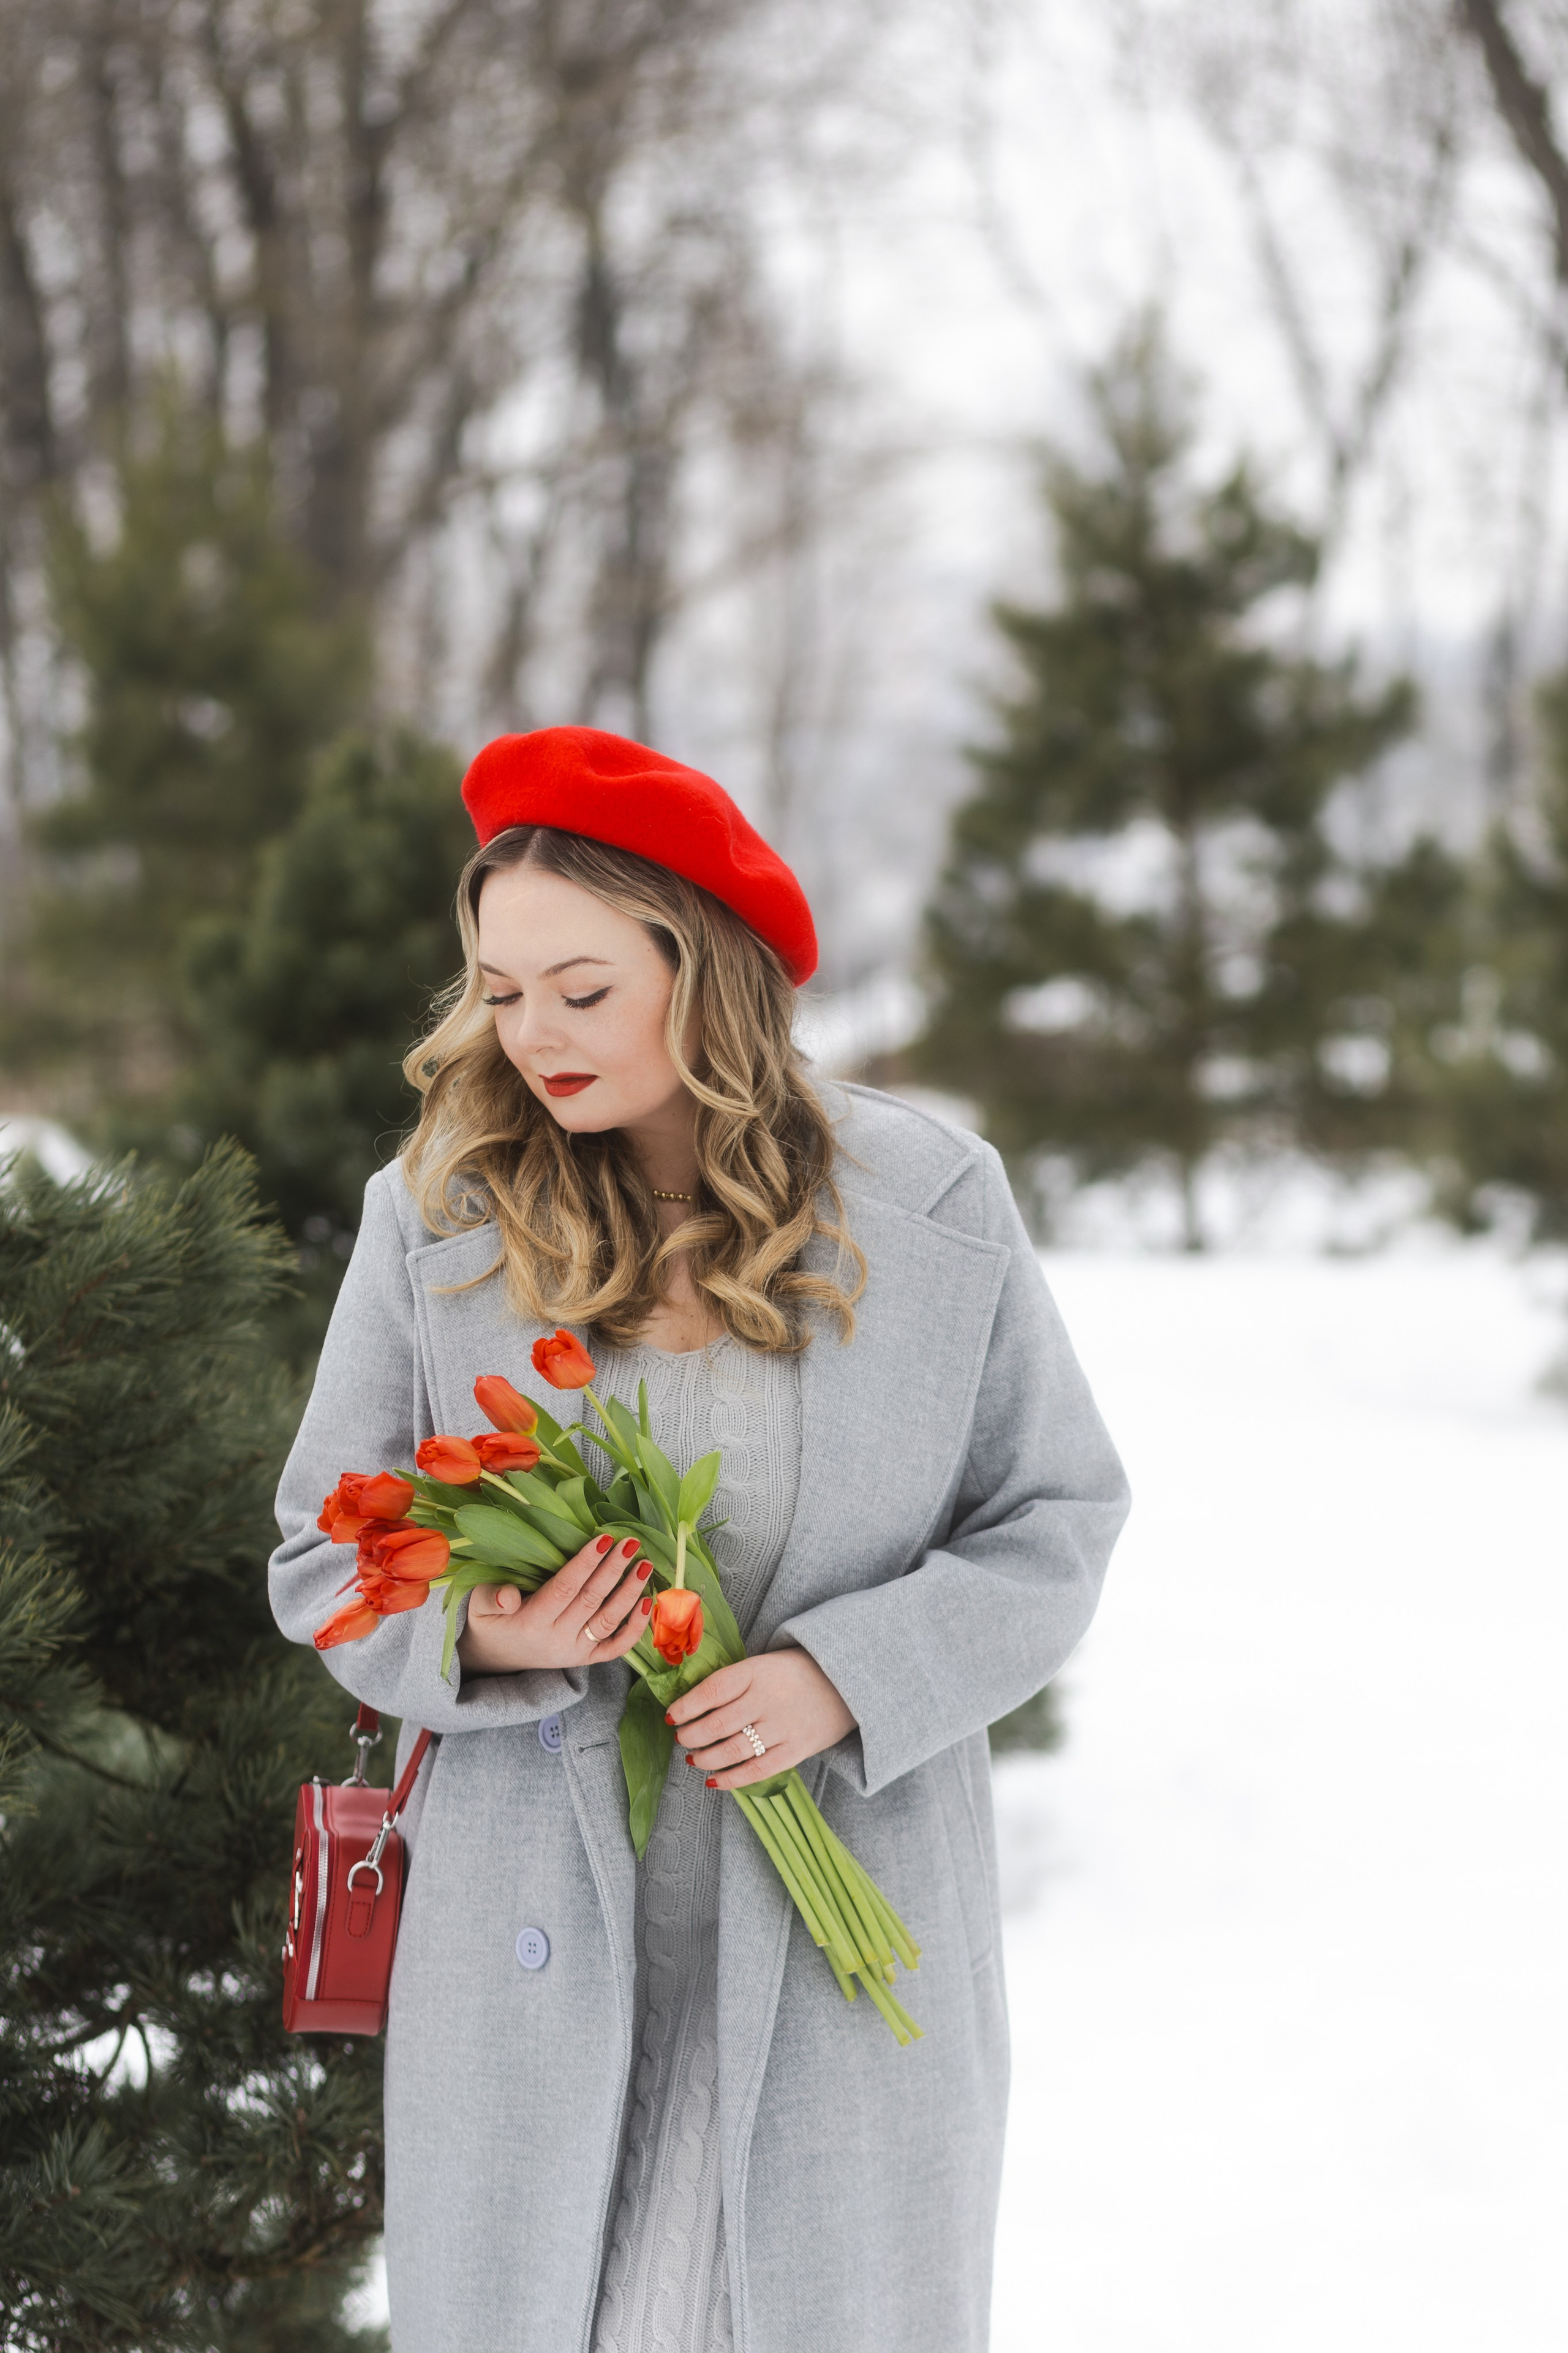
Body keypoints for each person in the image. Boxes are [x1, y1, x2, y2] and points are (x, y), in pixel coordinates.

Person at [268, 724, 1129, 2353]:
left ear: (704, 971)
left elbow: (1058, 1519)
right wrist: (497, 1629)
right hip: (533, 1961)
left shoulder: (932, 1205)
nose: (532, 1037)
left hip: (833, 1930)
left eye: (581, 991)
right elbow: (327, 1544)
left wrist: (844, 1678)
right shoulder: (443, 1214)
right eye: (501, 990)